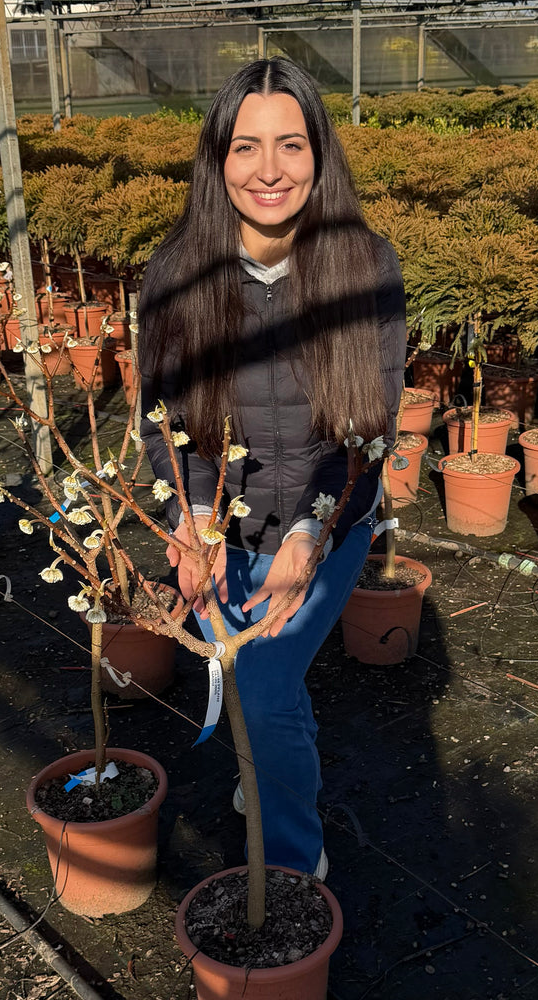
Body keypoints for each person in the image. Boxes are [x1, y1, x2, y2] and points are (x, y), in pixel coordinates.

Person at [140, 57, 405, 879]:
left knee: (261, 685)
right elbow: (163, 420)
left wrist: (307, 534)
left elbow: (367, 431)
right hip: (223, 523)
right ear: (217, 159)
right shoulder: (177, 273)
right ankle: (271, 775)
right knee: (259, 683)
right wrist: (190, 521)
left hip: (330, 517)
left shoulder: (363, 266)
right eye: (246, 146)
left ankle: (292, 869)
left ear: (319, 155)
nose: (269, 169)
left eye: (290, 144)